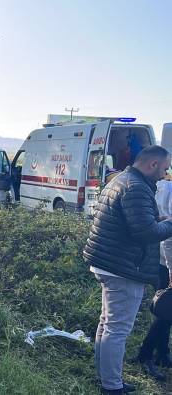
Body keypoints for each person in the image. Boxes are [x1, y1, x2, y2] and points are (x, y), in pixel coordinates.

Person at [83, 145, 172, 395]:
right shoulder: (136, 188)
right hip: (123, 268)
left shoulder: (123, 179)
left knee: (107, 323)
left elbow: (138, 224)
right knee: (117, 328)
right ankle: (112, 387)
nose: (166, 174)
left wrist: (159, 223)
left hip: (110, 263)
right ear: (152, 164)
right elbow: (145, 232)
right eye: (165, 168)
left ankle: (106, 378)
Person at [136, 173, 172, 378]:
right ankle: (146, 353)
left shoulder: (161, 186)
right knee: (165, 309)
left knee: (166, 309)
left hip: (159, 259)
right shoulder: (167, 190)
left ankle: (162, 353)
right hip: (167, 260)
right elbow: (169, 237)